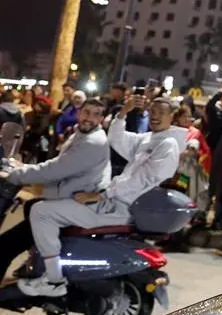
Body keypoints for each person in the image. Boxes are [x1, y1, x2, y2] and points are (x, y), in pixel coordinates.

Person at [16, 96, 181, 297]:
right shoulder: (151, 139)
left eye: (161, 112)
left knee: (42, 212)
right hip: (113, 200)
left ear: (172, 116)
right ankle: (42, 265)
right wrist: (123, 113)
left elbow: (141, 180)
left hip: (120, 207)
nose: (155, 116)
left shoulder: (168, 144)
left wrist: (101, 195)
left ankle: (54, 280)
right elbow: (117, 139)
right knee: (46, 206)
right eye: (153, 111)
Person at [0, 99, 110, 280]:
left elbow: (55, 171)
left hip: (69, 203)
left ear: (102, 118)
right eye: (86, 112)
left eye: (96, 114)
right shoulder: (80, 134)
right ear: (78, 112)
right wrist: (20, 167)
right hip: (65, 196)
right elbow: (57, 163)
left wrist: (14, 175)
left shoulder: (93, 142)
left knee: (5, 245)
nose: (89, 118)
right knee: (31, 206)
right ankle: (35, 264)